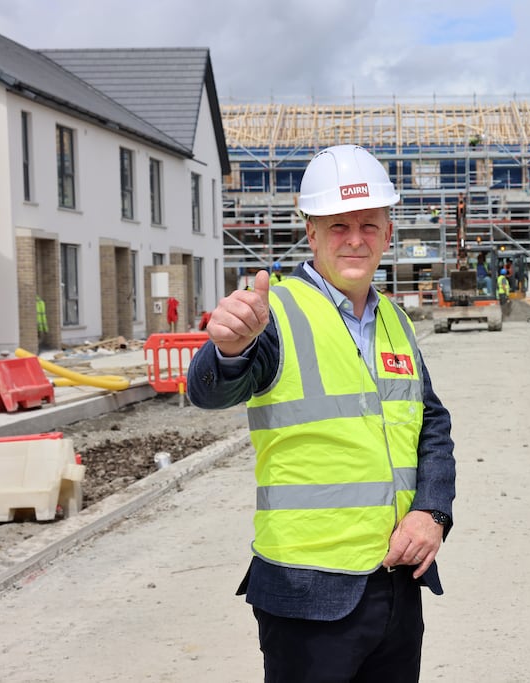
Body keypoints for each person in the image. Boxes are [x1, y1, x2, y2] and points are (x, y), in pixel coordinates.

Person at [186, 144, 456, 682]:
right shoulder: (275, 312)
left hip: (397, 585)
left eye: (368, 225)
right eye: (338, 226)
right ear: (310, 232)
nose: (355, 239)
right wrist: (227, 350)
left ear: (387, 231)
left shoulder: (396, 322)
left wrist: (433, 512)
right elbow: (211, 389)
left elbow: (432, 428)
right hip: (306, 595)